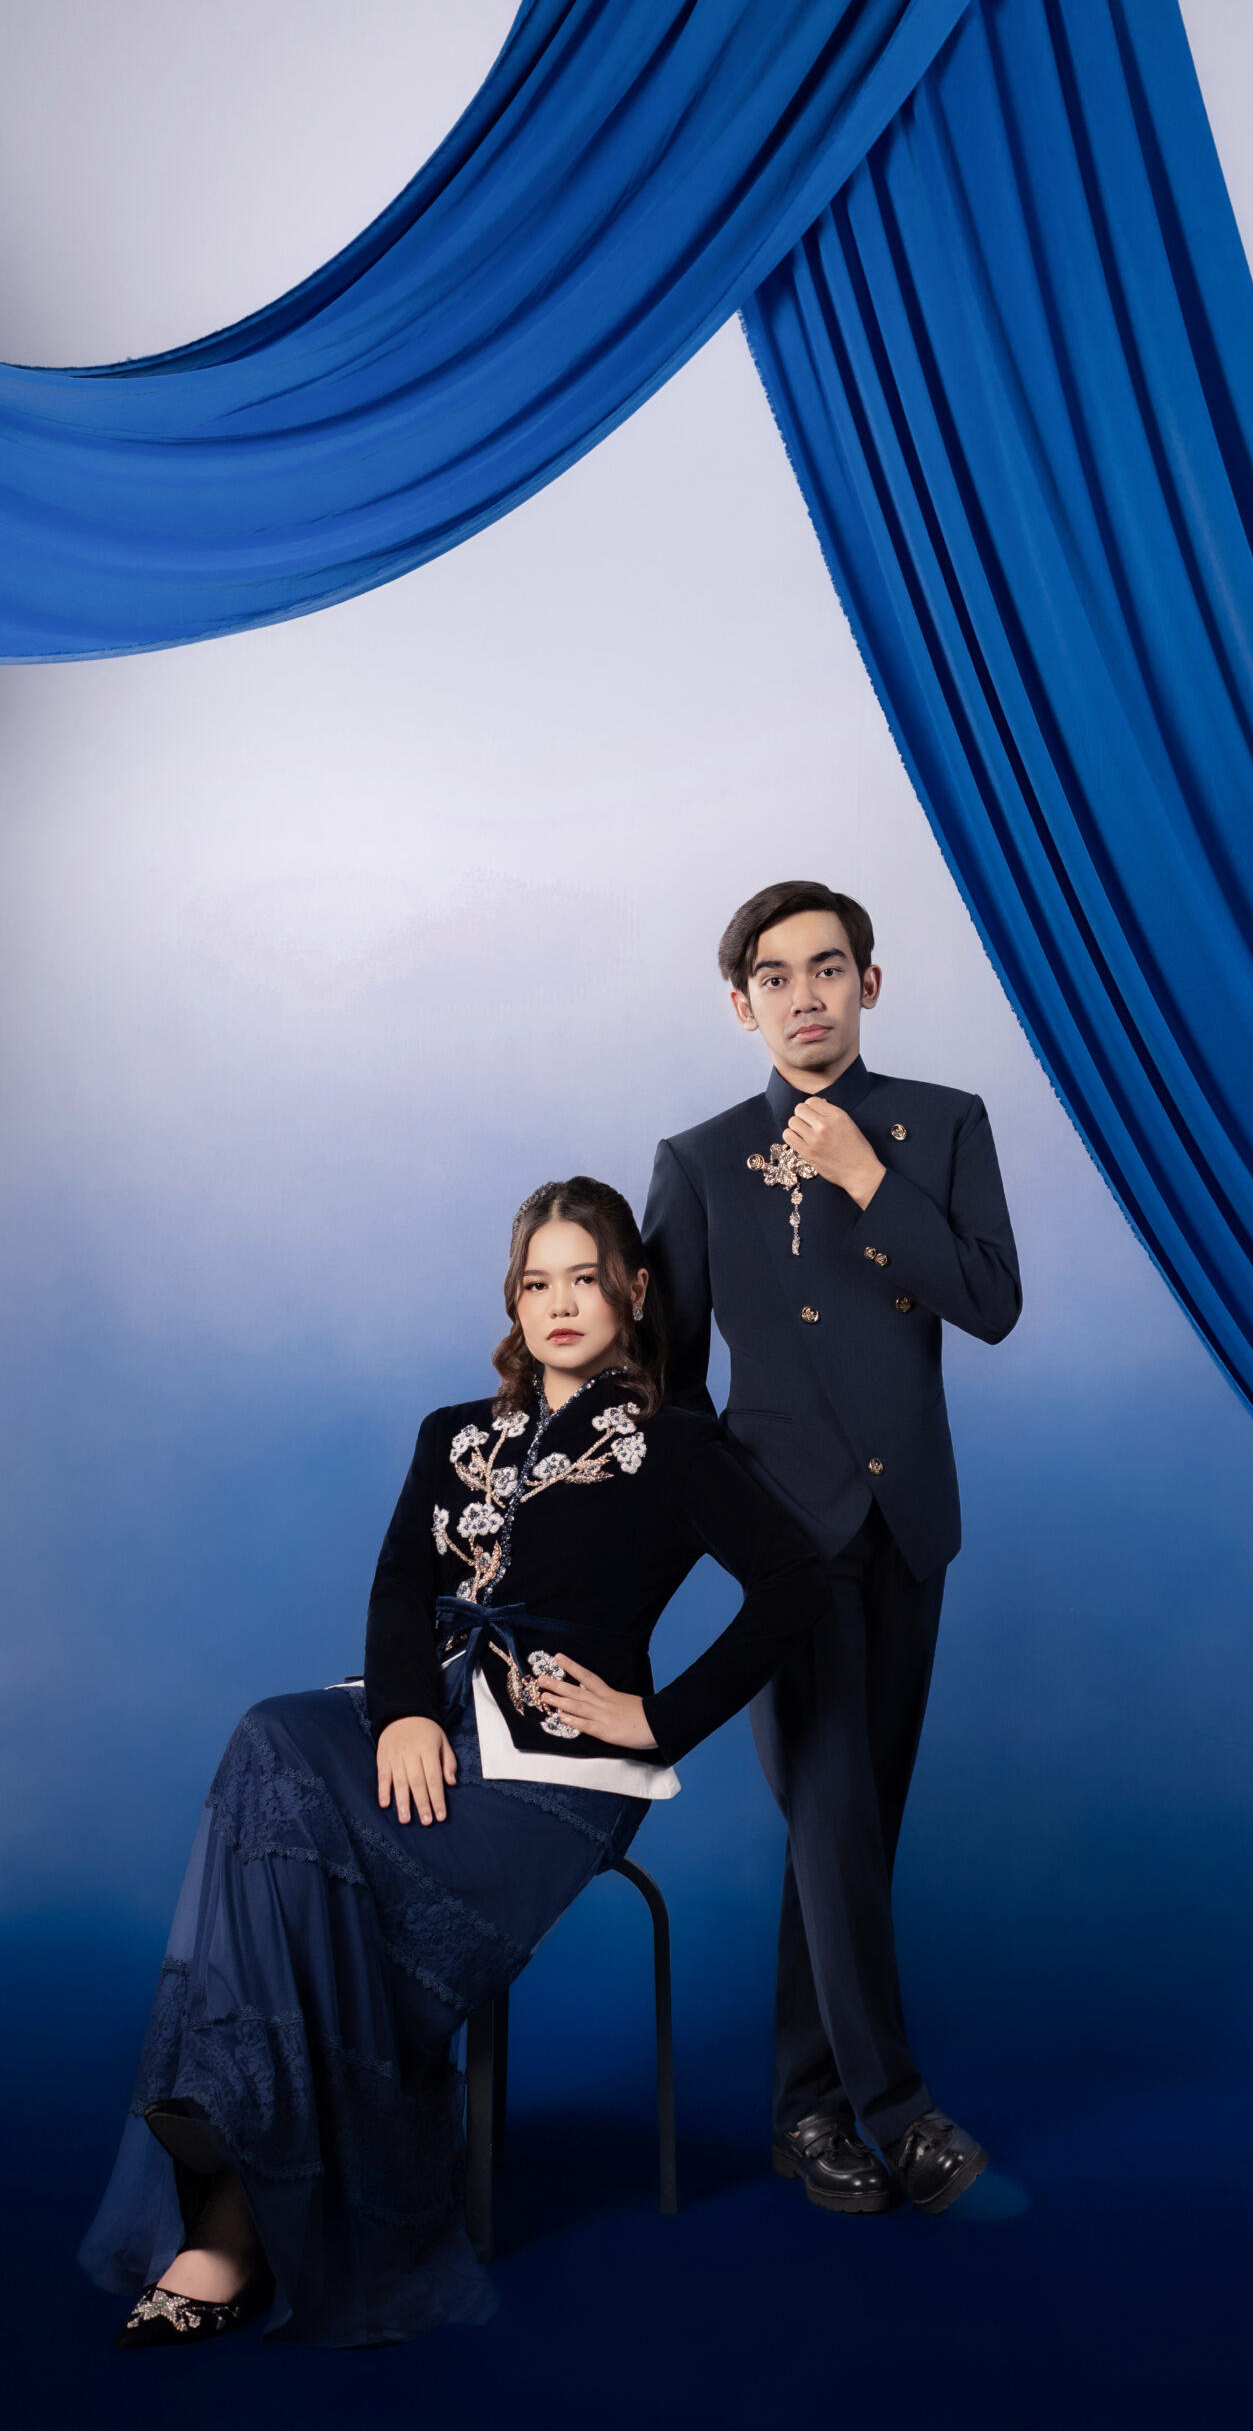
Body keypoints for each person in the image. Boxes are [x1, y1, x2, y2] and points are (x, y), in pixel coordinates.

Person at [81, 1177, 828, 2348]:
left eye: (586, 1279)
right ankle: (245, 2160)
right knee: (271, 1738)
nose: (561, 1303)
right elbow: (398, 1587)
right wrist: (397, 1717)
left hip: (556, 1773)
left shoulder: (677, 1446)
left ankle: (231, 2211)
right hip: (428, 1718)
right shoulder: (454, 1433)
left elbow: (796, 1582)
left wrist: (658, 1718)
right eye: (537, 1282)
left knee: (318, 1847)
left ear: (634, 1292)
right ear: (513, 1301)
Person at [642, 880, 1021, 2217]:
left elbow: (990, 1303)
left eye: (828, 968)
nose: (804, 996)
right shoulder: (697, 1161)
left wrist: (866, 1177)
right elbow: (669, 1391)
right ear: (738, 1004)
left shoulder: (945, 1125)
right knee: (832, 1816)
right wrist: (730, 1541)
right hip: (785, 1549)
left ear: (869, 982)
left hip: (909, 1523)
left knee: (854, 1833)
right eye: (775, 976)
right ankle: (897, 2112)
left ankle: (803, 2111)